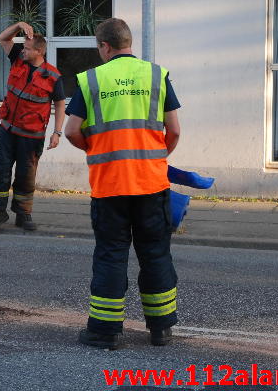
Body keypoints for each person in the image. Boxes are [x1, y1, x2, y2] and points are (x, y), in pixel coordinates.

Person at [64, 18, 181, 349]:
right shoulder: (156, 75)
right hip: (152, 184)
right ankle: (161, 330)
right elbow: (174, 129)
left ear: (104, 46)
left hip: (110, 185)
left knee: (111, 254)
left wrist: (97, 148)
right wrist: (156, 157)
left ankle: (105, 332)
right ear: (128, 43)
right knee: (155, 253)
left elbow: (72, 130)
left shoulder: (91, 80)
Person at [0, 21, 66, 235]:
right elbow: (3, 38)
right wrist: (20, 25)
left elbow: (59, 104)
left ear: (38, 51)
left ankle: (23, 213)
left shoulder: (53, 76)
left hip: (32, 135)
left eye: (28, 48)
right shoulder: (18, 60)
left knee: (26, 175)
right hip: (8, 130)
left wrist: (57, 133)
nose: (23, 51)